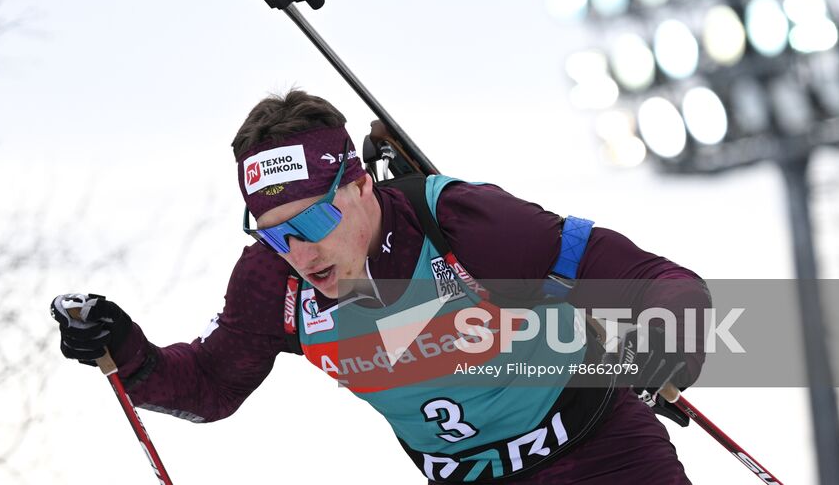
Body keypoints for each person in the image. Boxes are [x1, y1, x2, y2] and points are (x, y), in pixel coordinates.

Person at [53, 90, 710, 483]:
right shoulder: (272, 280)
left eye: (312, 219)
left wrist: (662, 342)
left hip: (602, 457)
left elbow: (658, 281)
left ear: (360, 184)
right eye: (275, 233)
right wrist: (128, 352)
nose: (300, 251)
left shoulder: (461, 223)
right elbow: (212, 385)